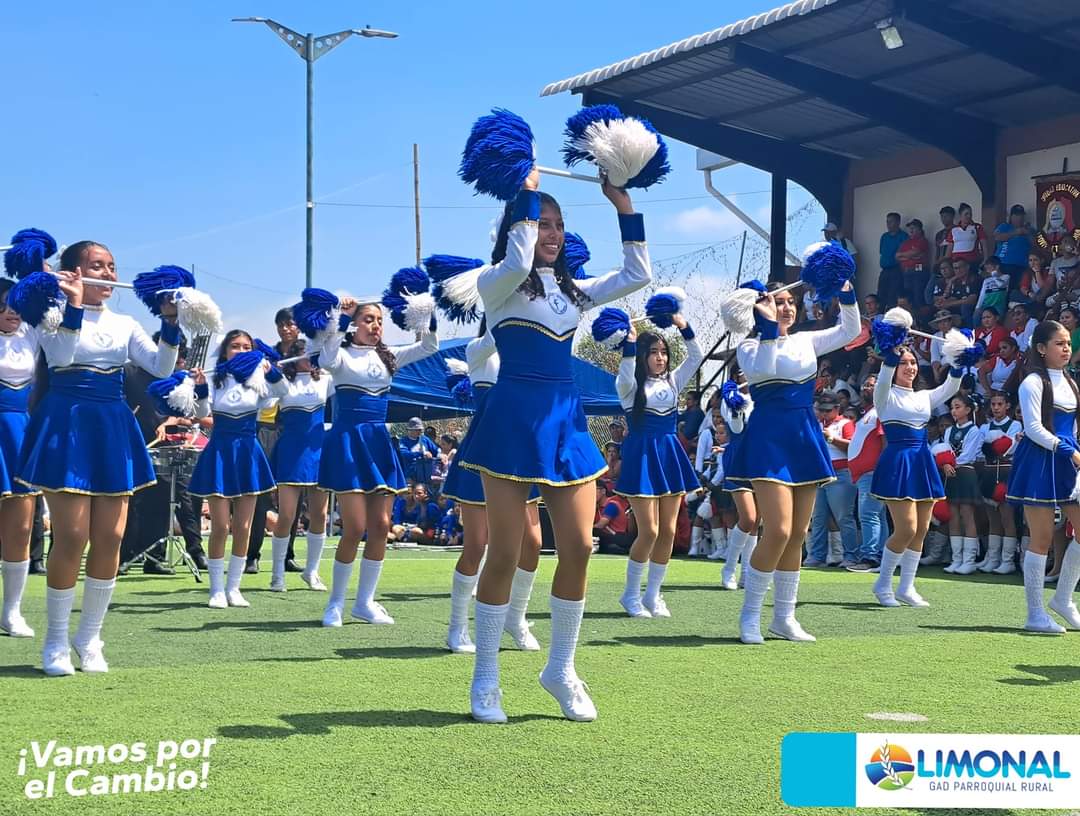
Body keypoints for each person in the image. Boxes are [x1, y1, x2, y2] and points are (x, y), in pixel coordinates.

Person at [456, 170, 651, 723]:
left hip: (567, 421)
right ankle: (486, 676)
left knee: (580, 546)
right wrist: (523, 190)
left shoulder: (573, 291)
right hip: (512, 421)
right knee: (505, 552)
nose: (553, 233)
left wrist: (622, 203)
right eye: (542, 223)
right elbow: (518, 262)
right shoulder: (497, 283)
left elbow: (638, 273)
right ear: (518, 227)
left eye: (559, 224)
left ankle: (561, 669)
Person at [19, 241, 177, 676]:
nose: (108, 274)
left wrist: (170, 321)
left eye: (111, 267)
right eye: (97, 266)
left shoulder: (125, 323)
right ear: (73, 272)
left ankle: (89, 637)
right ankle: (55, 640)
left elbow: (162, 367)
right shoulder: (50, 315)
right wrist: (71, 305)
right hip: (67, 421)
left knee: (111, 537)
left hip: (112, 424)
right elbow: (62, 357)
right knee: (71, 536)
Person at [727, 270, 861, 645]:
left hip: (804, 436)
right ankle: (750, 615)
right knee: (779, 530)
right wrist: (768, 326)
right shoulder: (749, 347)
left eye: (789, 302)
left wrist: (846, 291)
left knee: (798, 533)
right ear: (759, 308)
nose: (785, 308)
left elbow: (850, 330)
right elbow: (765, 368)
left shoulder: (806, 341)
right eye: (777, 302)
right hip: (768, 438)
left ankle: (784, 618)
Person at [317, 299, 439, 627]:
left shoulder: (389, 355)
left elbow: (429, 346)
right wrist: (342, 317)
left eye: (379, 320)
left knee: (382, 526)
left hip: (379, 442)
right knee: (355, 527)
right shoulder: (341, 355)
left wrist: (425, 312)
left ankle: (365, 602)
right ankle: (335, 603)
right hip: (349, 441)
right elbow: (325, 358)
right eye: (368, 319)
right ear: (355, 324)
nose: (375, 325)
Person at [440, 326, 543, 654]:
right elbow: (494, 337)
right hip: (484, 451)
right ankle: (457, 627)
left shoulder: (526, 352)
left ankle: (516, 617)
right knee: (476, 544)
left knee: (533, 542)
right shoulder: (479, 350)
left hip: (520, 453)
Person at [0, 275, 81, 640]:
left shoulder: (32, 335)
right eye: (3, 304)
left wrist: (44, 274)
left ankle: (11, 611)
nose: (11, 312)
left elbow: (55, 315)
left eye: (16, 304)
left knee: (20, 527)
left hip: (20, 432)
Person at [189, 331, 288, 608]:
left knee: (243, 526)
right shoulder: (215, 378)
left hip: (248, 452)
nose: (241, 351)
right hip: (220, 451)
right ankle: (216, 589)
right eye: (235, 346)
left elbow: (282, 393)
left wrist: (271, 371)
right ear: (225, 351)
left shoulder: (257, 380)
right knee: (221, 526)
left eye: (247, 347)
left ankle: (234, 587)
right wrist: (200, 387)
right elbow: (201, 413)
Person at [614, 313, 704, 619]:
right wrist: (629, 343)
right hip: (642, 456)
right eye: (653, 352)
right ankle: (630, 595)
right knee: (649, 531)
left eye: (664, 352)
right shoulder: (628, 385)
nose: (660, 358)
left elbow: (696, 357)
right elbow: (626, 372)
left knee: (668, 530)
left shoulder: (673, 381)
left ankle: (652, 595)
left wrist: (683, 325)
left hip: (669, 454)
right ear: (642, 356)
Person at [869, 338, 963, 606]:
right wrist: (891, 352)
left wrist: (959, 361)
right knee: (906, 528)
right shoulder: (884, 394)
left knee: (921, 529)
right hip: (899, 461)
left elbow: (951, 387)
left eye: (913, 362)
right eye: (903, 363)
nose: (910, 367)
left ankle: (906, 587)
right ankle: (883, 584)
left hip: (922, 459)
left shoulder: (924, 396)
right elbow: (884, 376)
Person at [1005, 320, 1080, 633]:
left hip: (1067, 458)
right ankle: (1035, 614)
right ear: (1041, 348)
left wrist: (1074, 450)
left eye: (1068, 343)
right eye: (1059, 343)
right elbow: (1034, 428)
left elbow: (1073, 426)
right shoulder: (1032, 382)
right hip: (1040, 460)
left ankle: (1063, 599)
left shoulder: (1071, 382)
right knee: (1042, 537)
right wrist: (1068, 451)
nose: (1066, 349)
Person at [119, 332, 208, 575]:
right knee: (132, 500)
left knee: (161, 500)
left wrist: (172, 420)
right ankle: (123, 555)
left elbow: (185, 411)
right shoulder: (129, 371)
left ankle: (154, 557)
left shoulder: (176, 377)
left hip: (165, 445)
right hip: (133, 441)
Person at [267, 338, 332, 592]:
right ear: (294, 357)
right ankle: (277, 574)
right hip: (291, 452)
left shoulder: (325, 379)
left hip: (318, 451)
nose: (311, 357)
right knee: (286, 515)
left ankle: (312, 571)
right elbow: (266, 399)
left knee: (320, 514)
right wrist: (269, 371)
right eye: (306, 353)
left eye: (314, 353)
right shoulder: (284, 382)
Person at [246, 307, 302, 575]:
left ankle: (287, 554)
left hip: (294, 428)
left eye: (290, 324)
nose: (285, 329)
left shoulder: (307, 354)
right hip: (266, 426)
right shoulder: (267, 355)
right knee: (260, 495)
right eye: (281, 324)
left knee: (294, 493)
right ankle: (252, 555)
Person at [806, 391, 858, 569]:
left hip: (840, 473)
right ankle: (817, 555)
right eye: (821, 410)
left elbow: (852, 447)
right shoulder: (817, 424)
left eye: (828, 410)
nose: (824, 413)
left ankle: (851, 555)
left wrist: (832, 439)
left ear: (837, 408)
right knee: (818, 518)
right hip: (820, 474)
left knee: (844, 517)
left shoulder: (846, 423)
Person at [718, 371, 757, 589]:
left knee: (757, 522)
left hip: (761, 459)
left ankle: (747, 573)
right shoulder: (730, 397)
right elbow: (736, 428)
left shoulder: (764, 395)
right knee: (748, 518)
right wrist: (737, 402)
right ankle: (729, 568)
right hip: (739, 459)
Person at [977, 391, 1021, 573]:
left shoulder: (1015, 424)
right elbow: (981, 450)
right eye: (993, 404)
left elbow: (1008, 448)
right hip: (989, 472)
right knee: (992, 518)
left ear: (1007, 406)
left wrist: (996, 448)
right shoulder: (985, 427)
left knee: (1006, 517)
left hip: (1005, 472)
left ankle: (1007, 560)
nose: (996, 408)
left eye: (1000, 404)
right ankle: (993, 558)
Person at [941, 394, 985, 575]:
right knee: (953, 515)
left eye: (957, 407)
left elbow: (968, 454)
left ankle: (969, 560)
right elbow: (944, 449)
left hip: (965, 471)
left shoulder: (974, 430)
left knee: (967, 514)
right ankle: (956, 559)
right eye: (952, 407)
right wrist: (944, 463)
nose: (954, 411)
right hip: (950, 473)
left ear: (968, 410)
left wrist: (950, 463)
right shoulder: (948, 431)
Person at [846, 375, 886, 571]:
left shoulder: (880, 412)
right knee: (878, 515)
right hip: (866, 474)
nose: (866, 388)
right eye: (865, 385)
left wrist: (883, 468)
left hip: (873, 472)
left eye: (871, 385)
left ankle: (870, 556)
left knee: (868, 514)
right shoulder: (869, 413)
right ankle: (881, 555)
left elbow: (885, 441)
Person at [895, 219, 930, 309]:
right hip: (907, 271)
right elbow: (897, 256)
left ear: (919, 230)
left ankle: (918, 316)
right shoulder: (906, 242)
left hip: (919, 271)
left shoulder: (922, 240)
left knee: (918, 295)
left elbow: (915, 252)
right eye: (910, 228)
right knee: (908, 296)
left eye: (913, 228)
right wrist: (910, 256)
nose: (911, 230)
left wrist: (906, 255)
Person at [994, 205, 1034, 282]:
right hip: (1003, 263)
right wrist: (1016, 232)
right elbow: (997, 237)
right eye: (1016, 215)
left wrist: (1028, 233)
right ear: (1011, 216)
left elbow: (1035, 244)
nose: (1019, 218)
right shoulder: (1004, 226)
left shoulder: (1029, 229)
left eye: (1021, 215)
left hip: (1022, 266)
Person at [946, 202, 989, 273]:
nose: (969, 216)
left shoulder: (977, 227)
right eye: (966, 214)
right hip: (956, 263)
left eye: (970, 214)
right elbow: (949, 248)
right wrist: (947, 262)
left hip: (972, 261)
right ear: (960, 215)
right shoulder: (953, 229)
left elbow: (984, 244)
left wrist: (985, 258)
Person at [398, 417, 439, 485]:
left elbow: (435, 450)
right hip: (411, 476)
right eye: (417, 430)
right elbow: (404, 454)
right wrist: (422, 453)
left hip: (426, 475)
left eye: (420, 429)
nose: (419, 431)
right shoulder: (403, 441)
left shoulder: (424, 439)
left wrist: (441, 454)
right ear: (410, 430)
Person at [878, 212, 906, 306]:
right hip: (884, 269)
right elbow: (882, 252)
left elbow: (904, 256)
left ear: (898, 222)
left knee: (893, 296)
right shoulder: (884, 236)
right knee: (880, 294)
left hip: (897, 270)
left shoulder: (903, 236)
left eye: (891, 221)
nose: (888, 224)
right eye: (887, 221)